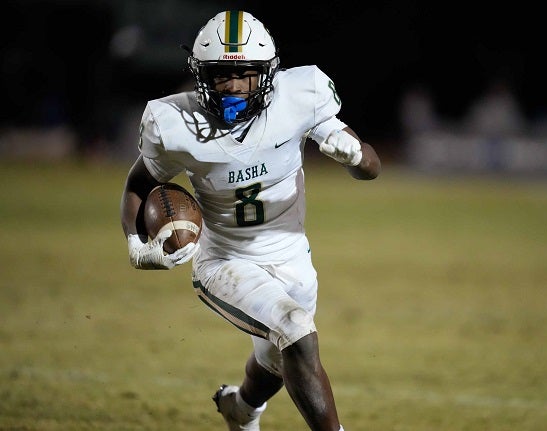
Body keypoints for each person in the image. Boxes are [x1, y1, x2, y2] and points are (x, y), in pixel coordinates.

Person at [120, 10, 381, 431]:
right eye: (222, 74)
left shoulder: (300, 96)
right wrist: (135, 245)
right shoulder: (176, 124)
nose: (235, 85)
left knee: (277, 358)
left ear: (269, 73)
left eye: (247, 74)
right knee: (295, 332)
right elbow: (138, 183)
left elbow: (371, 166)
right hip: (225, 260)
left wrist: (354, 156)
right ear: (201, 74)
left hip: (293, 254)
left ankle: (241, 410)